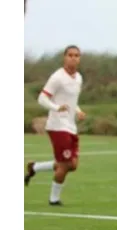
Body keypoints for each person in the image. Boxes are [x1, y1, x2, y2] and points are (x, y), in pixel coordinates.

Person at [25, 45, 86, 206]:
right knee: (65, 165)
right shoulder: (57, 77)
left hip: (70, 125)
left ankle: (35, 167)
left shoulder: (78, 77)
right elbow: (42, 98)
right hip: (57, 126)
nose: (73, 58)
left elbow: (71, 101)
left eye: (77, 55)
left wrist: (78, 111)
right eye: (70, 55)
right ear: (64, 58)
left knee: (72, 165)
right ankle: (54, 199)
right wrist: (56, 108)